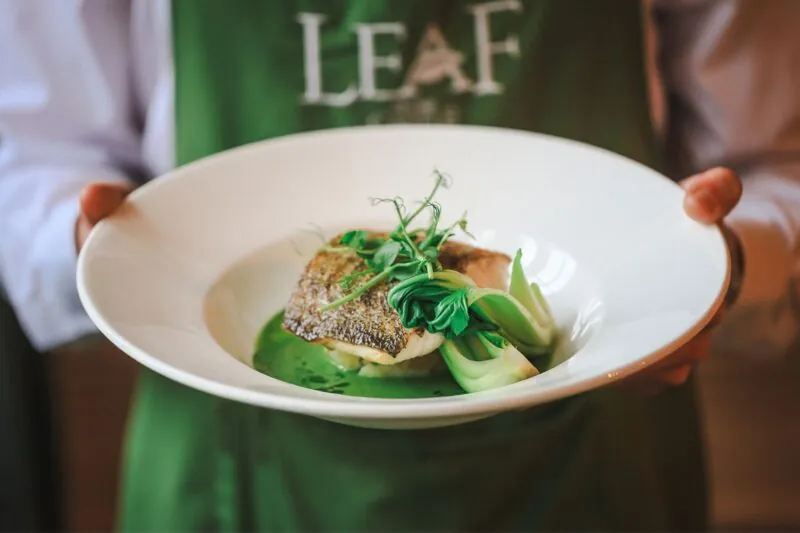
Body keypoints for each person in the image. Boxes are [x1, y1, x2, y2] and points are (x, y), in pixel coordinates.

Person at [1, 0, 798, 531]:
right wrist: (96, 245)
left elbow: (774, 160)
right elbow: (33, 150)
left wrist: (722, 256)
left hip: (599, 453)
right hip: (230, 468)